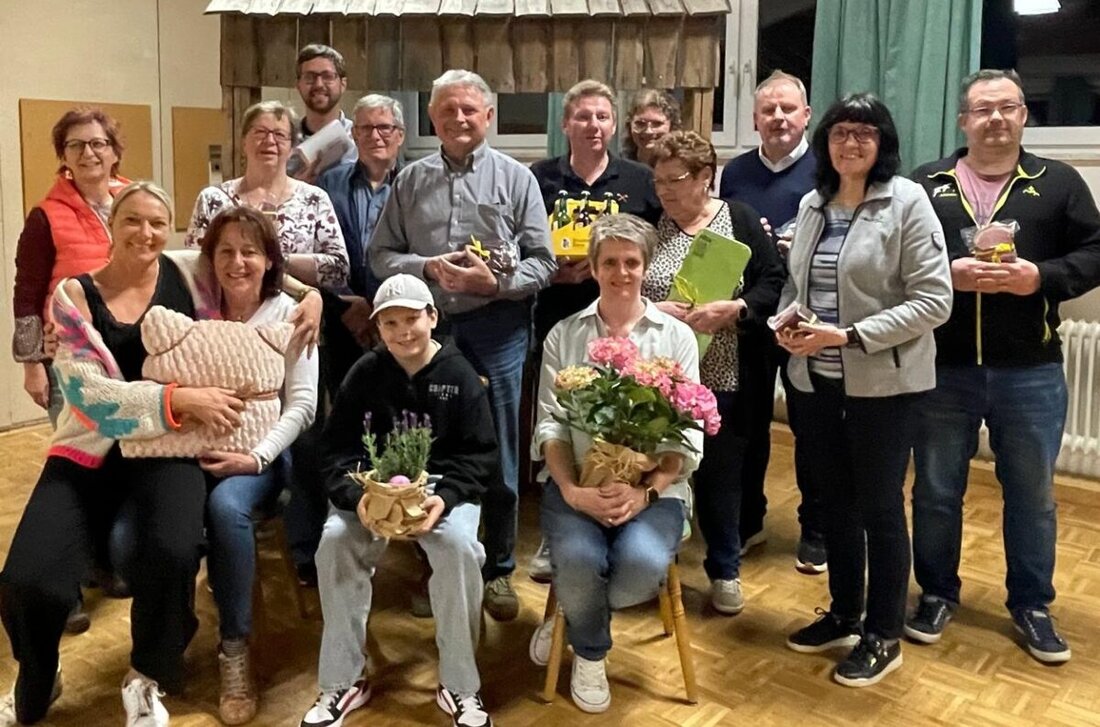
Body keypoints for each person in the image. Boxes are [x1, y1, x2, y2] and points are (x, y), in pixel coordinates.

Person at [0, 182, 246, 726]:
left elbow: (260, 264)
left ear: (171, 228)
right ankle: (38, 674)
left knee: (173, 551)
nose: (146, 232)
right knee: (27, 579)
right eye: (133, 220)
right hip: (90, 450)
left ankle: (147, 674)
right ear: (112, 226)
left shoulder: (188, 274)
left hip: (168, 449)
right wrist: (175, 399)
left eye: (158, 222)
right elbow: (93, 400)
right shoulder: (74, 295)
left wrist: (313, 297)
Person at [907, 69, 1100, 663]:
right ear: (963, 120)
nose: (995, 119)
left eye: (1007, 108)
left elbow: (1095, 251)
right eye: (982, 109)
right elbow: (897, 261)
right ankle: (938, 594)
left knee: (1033, 494)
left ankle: (1032, 604)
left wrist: (1039, 277)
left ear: (1024, 116)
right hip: (941, 368)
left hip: (1031, 369)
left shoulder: (1060, 181)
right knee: (937, 492)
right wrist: (947, 277)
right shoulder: (924, 184)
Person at [778, 94, 952, 687]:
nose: (850, 143)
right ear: (825, 142)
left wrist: (849, 334)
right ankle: (845, 613)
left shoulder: (907, 202)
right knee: (835, 505)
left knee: (880, 508)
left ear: (883, 143)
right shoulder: (811, 203)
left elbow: (935, 301)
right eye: (840, 133)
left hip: (885, 385)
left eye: (864, 133)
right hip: (815, 381)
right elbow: (796, 284)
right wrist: (789, 325)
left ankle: (884, 633)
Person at [370, 69, 555, 622]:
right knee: (426, 449)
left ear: (489, 116)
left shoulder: (518, 180)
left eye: (469, 110)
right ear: (432, 118)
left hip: (497, 327)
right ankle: (440, 565)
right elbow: (380, 256)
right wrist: (425, 266)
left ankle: (497, 569)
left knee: (498, 451)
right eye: (447, 110)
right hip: (425, 334)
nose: (458, 119)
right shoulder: (410, 181)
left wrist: (493, 284)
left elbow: (542, 262)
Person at [299, 274, 499, 727]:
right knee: (334, 542)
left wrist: (445, 499)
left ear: (433, 317)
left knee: (459, 549)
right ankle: (342, 681)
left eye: (412, 319)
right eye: (390, 324)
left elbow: (481, 454)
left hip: (441, 489)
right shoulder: (366, 373)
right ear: (378, 328)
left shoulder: (458, 374)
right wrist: (357, 498)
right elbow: (334, 450)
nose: (403, 332)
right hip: (372, 488)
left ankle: (460, 686)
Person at [527, 213, 703, 714]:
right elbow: (551, 426)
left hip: (655, 492)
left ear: (646, 266)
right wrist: (572, 490)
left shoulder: (675, 337)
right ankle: (590, 652)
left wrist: (645, 490)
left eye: (631, 262)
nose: (621, 272)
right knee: (582, 561)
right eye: (610, 262)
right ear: (593, 267)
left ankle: (573, 612)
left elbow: (686, 431)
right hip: (578, 486)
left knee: (642, 567)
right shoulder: (566, 335)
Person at [185, 99, 349, 589]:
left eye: (280, 132)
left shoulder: (313, 199)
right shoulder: (214, 199)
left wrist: (280, 268)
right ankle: (220, 555)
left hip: (292, 325)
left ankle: (303, 549)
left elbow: (338, 266)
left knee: (303, 433)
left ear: (292, 142)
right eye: (259, 130)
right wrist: (270, 261)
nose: (270, 140)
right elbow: (197, 266)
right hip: (220, 336)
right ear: (243, 140)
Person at [641, 131, 784, 615]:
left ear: (706, 177)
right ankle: (654, 566)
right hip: (662, 379)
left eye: (675, 179)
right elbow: (626, 290)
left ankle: (724, 569)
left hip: (725, 377)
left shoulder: (737, 219)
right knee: (660, 472)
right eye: (658, 180)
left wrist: (735, 308)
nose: (664, 190)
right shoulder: (648, 226)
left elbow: (773, 282)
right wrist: (654, 308)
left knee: (722, 478)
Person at [526, 79, 662, 581]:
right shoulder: (538, 178)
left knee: (625, 422)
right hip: (561, 321)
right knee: (564, 423)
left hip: (629, 322)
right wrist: (550, 269)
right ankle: (559, 524)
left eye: (602, 117)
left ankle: (624, 516)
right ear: (565, 124)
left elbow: (657, 246)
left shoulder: (641, 179)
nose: (592, 125)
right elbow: (523, 246)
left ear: (613, 125)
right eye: (582, 116)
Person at [11, 106, 133, 634]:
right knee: (76, 469)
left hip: (127, 359)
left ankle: (100, 561)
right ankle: (64, 586)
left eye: (98, 143)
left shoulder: (132, 200)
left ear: (114, 150)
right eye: (77, 145)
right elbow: (26, 295)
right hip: (70, 363)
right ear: (63, 156)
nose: (89, 153)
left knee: (116, 466)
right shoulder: (47, 215)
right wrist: (33, 365)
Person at [198, 207, 319, 724]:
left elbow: (304, 406)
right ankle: (162, 639)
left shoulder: (290, 316)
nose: (237, 262)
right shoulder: (196, 306)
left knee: (226, 509)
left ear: (270, 260)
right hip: (192, 450)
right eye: (225, 250)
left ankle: (234, 649)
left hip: (263, 457)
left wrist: (256, 456)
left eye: (250, 251)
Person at [717, 70, 825, 574]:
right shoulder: (734, 173)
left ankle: (817, 528)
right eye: (768, 110)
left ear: (806, 114)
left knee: (812, 427)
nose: (778, 118)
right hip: (755, 316)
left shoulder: (829, 169)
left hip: (812, 318)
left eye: (788, 109)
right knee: (749, 425)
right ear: (755, 119)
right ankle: (749, 519)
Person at [316, 93, 406, 394]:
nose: (375, 136)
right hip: (343, 319)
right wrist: (346, 305)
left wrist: (380, 307)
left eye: (384, 127)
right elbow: (317, 249)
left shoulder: (417, 181)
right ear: (354, 134)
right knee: (347, 409)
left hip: (402, 317)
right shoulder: (329, 183)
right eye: (365, 128)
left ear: (400, 135)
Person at [286, 44, 358, 181]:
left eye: (327, 76)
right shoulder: (285, 140)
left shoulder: (360, 138)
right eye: (309, 77)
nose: (319, 84)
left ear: (343, 84)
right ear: (298, 85)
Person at [620, 89, 681, 168]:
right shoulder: (620, 167)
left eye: (657, 124)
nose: (648, 131)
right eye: (640, 123)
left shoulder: (682, 166)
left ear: (672, 125)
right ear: (629, 125)